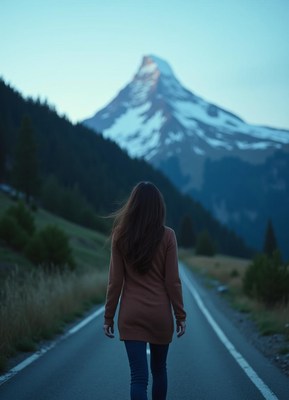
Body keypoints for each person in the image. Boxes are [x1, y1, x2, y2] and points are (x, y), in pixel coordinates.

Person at [103, 181, 187, 400]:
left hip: (131, 316)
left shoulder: (120, 235)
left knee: (138, 378)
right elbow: (173, 282)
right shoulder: (168, 236)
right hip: (160, 316)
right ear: (159, 207)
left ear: (133, 206)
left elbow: (115, 282)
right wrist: (180, 315)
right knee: (159, 371)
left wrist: (108, 317)